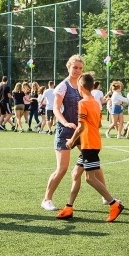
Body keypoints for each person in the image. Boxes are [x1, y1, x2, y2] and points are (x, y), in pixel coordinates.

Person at [56, 73, 124, 222]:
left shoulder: (83, 103)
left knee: (90, 178)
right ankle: (68, 207)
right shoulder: (95, 103)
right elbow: (98, 124)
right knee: (75, 174)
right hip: (92, 142)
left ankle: (114, 203)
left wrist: (71, 141)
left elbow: (81, 126)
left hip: (89, 145)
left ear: (80, 87)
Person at [41, 56, 93, 211]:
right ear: (68, 67)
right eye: (75, 67)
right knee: (62, 169)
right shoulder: (62, 86)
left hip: (81, 131)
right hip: (65, 132)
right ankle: (47, 199)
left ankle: (106, 197)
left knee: (93, 163)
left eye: (80, 68)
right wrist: (65, 123)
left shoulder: (82, 85)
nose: (77, 70)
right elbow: (56, 109)